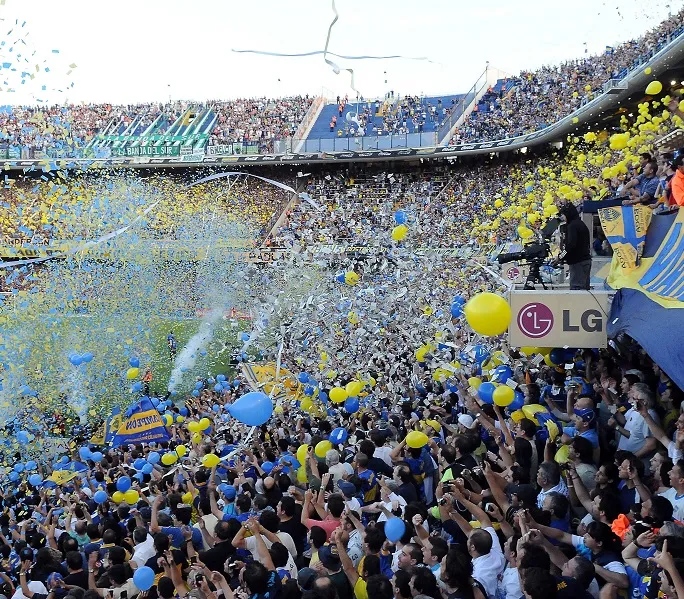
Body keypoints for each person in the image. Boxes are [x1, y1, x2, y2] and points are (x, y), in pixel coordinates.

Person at [557, 201, 591, 290]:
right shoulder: (581, 223)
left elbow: (570, 245)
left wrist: (560, 257)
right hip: (585, 260)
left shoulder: (572, 226)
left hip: (577, 262)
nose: (563, 218)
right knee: (585, 290)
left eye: (563, 215)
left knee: (577, 289)